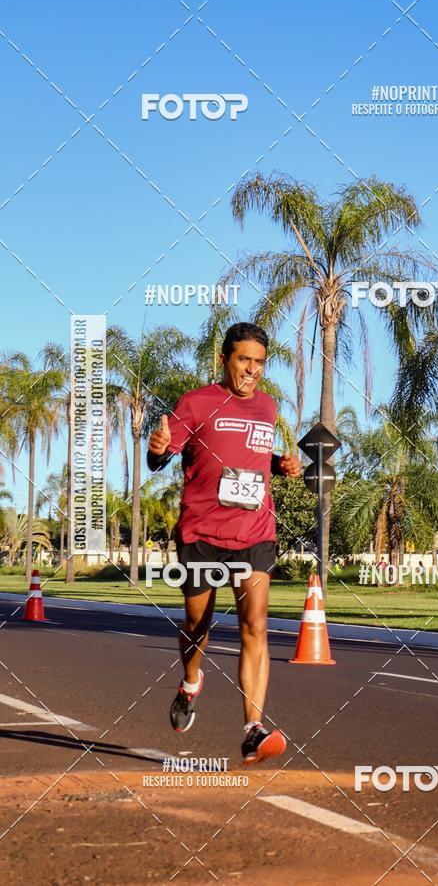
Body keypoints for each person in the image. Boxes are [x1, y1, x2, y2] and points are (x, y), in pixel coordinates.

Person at [147, 322, 301, 765]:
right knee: (198, 626)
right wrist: (157, 449)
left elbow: (245, 456)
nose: (251, 370)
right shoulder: (196, 403)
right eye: (243, 360)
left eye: (258, 363)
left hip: (254, 534)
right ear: (224, 359)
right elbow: (162, 456)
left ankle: (252, 729)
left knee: (256, 624)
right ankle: (191, 681)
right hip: (201, 534)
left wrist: (278, 463)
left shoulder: (267, 407)